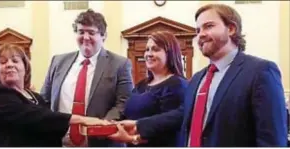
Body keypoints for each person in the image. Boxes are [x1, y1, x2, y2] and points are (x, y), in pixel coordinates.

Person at [112, 3, 287, 147]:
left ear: (231, 28)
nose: (201, 35)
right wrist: (138, 126)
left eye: (208, 26)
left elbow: (272, 140)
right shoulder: (197, 79)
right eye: (197, 30)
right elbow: (181, 115)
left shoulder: (260, 71)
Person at [0, 43, 110, 147]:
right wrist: (84, 119)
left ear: (25, 67)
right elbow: (37, 116)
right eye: (3, 62)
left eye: (15, 61)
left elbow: (49, 127)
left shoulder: (36, 98)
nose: (9, 65)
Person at [40, 9, 133, 147]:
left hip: (101, 143)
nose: (85, 37)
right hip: (60, 142)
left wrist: (100, 128)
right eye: (81, 31)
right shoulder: (58, 61)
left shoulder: (120, 64)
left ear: (103, 36)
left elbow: (124, 103)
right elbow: (44, 100)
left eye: (91, 32)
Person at [108, 31, 188, 147]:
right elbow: (129, 113)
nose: (149, 54)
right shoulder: (142, 84)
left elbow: (171, 125)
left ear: (170, 53)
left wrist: (133, 138)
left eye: (156, 49)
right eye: (147, 50)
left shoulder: (177, 85)